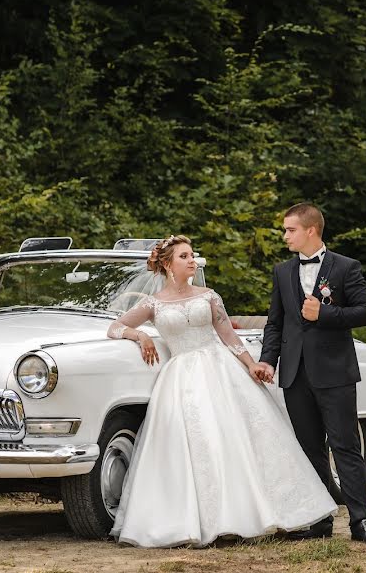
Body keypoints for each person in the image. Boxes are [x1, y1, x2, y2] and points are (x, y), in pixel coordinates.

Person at [105, 234, 337, 548]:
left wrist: (250, 364)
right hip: (181, 377)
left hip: (221, 370)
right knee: (199, 444)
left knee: (235, 440)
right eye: (185, 256)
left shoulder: (209, 296)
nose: (192, 261)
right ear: (168, 265)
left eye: (191, 256)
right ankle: (200, 520)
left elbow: (229, 337)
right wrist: (139, 336)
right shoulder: (153, 303)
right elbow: (114, 327)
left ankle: (254, 513)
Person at [258, 203, 366, 545]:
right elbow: (276, 322)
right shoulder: (282, 272)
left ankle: (362, 522)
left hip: (335, 373)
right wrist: (269, 360)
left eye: (290, 230)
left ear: (311, 230)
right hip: (295, 374)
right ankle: (319, 520)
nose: (285, 236)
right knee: (308, 449)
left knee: (345, 448)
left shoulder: (346, 267)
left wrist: (325, 314)